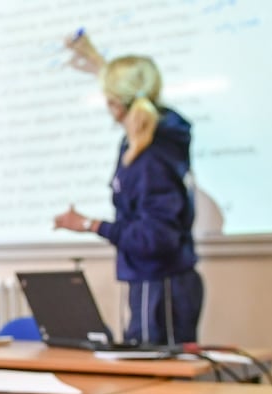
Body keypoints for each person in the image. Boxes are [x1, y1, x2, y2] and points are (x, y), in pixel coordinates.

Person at [54, 33, 204, 345]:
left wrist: (89, 225)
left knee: (157, 384)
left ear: (116, 103)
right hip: (155, 281)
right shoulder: (157, 138)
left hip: (160, 285)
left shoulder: (150, 157)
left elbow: (155, 238)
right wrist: (95, 59)